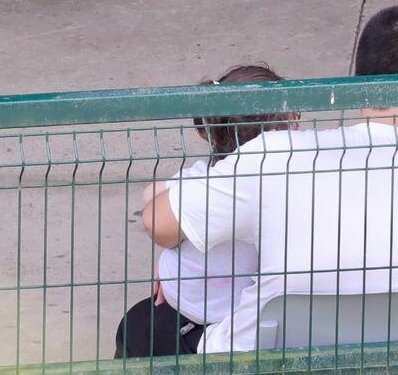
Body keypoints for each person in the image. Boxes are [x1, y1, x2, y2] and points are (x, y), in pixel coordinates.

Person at [139, 5, 398, 353]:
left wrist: (183, 245)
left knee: (142, 326)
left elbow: (161, 224)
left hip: (264, 363)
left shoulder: (275, 157)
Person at [115, 64, 298, 357]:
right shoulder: (293, 181)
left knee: (134, 328)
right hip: (260, 318)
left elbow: (152, 198)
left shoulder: (203, 180)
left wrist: (170, 253)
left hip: (197, 315)